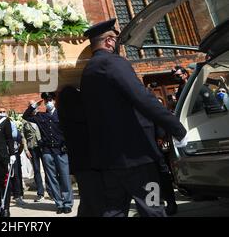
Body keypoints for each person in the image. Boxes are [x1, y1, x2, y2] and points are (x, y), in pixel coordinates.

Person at [80, 18, 188, 217]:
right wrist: (177, 129)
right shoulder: (113, 63)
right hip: (137, 156)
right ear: (110, 41)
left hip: (108, 160)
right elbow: (143, 98)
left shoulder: (88, 71)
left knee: (114, 211)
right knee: (153, 207)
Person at [22, 92, 74, 214]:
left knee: (65, 177)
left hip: (61, 150)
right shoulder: (41, 116)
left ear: (54, 101)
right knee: (52, 178)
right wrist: (34, 106)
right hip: (47, 151)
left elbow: (70, 131)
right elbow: (26, 116)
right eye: (46, 100)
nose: (48, 102)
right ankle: (59, 203)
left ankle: (67, 203)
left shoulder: (62, 114)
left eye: (50, 99)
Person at [57, 86, 104, 217]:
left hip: (82, 163)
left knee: (89, 201)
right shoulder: (76, 110)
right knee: (93, 201)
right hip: (87, 162)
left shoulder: (66, 110)